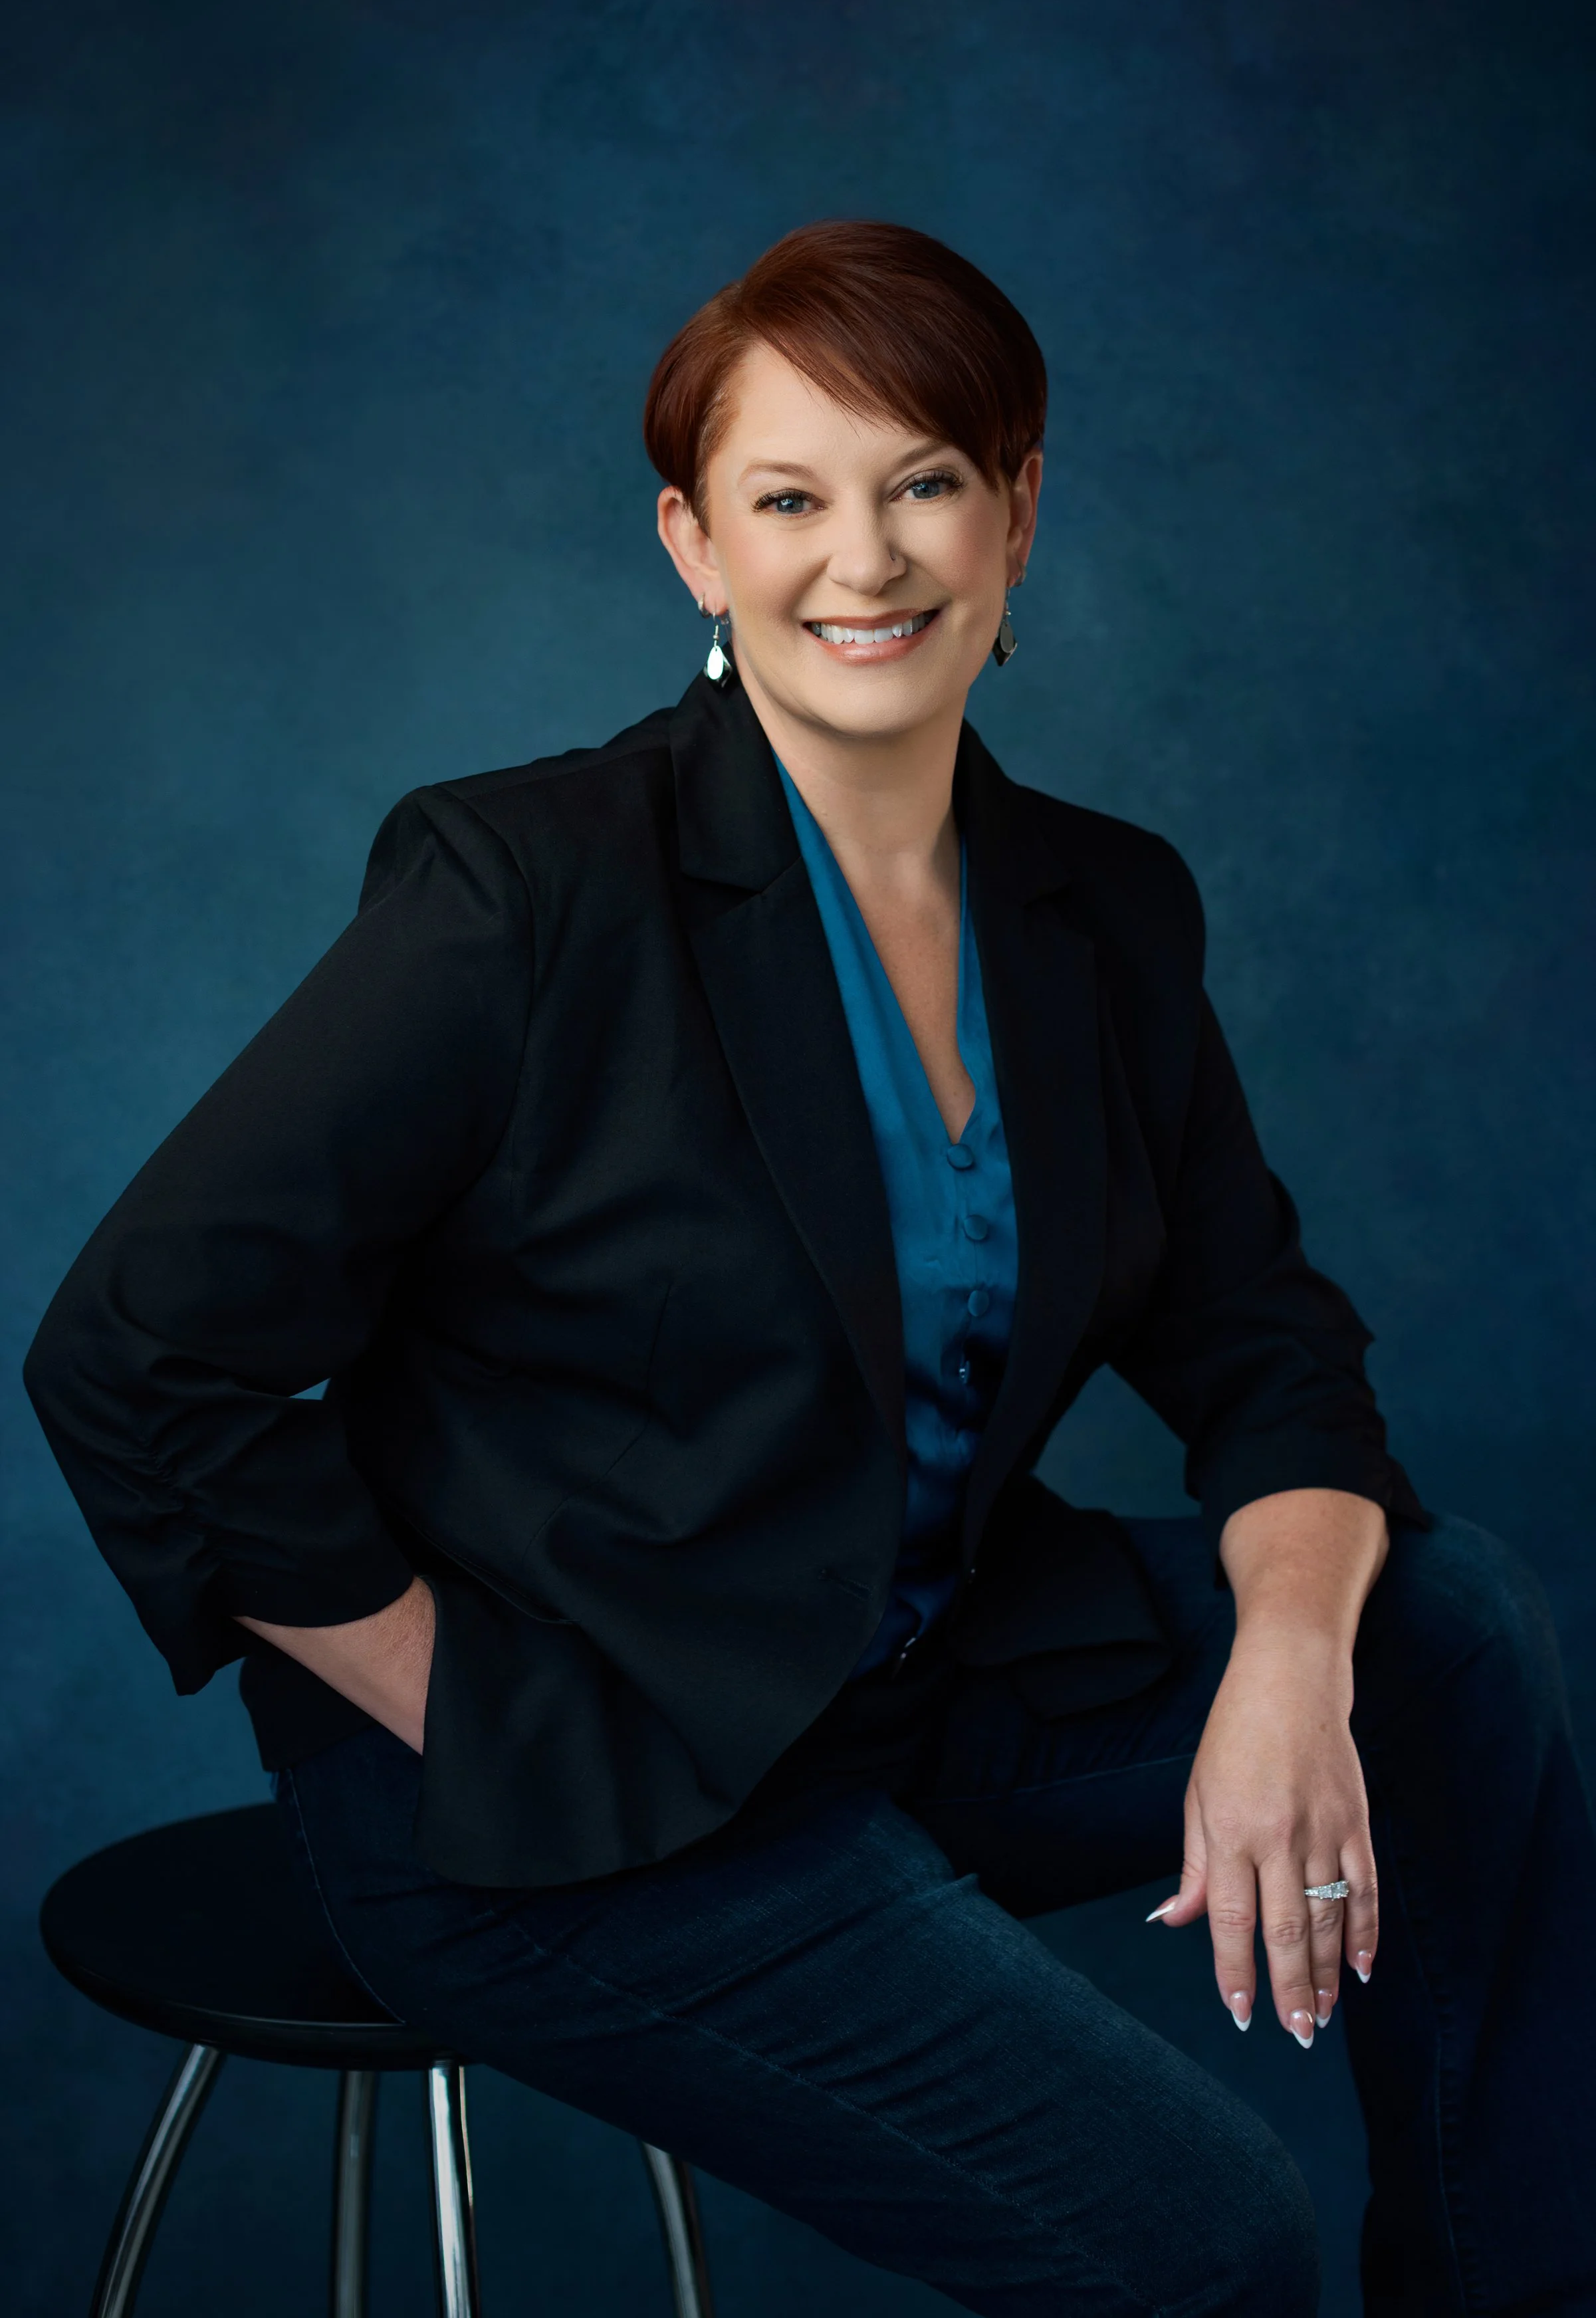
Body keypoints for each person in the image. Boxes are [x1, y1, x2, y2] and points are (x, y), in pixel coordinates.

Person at [25, 221, 1596, 2317]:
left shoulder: (1102, 910)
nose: (865, 558)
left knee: (1450, 1629)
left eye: (927, 478)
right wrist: (482, 1711)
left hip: (909, 1691)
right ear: (694, 544)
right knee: (1206, 2234)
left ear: (1019, 513)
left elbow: (1263, 1341)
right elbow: (140, 1353)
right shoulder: (526, 886)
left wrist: (1290, 1675)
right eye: (789, 497)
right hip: (567, 1798)